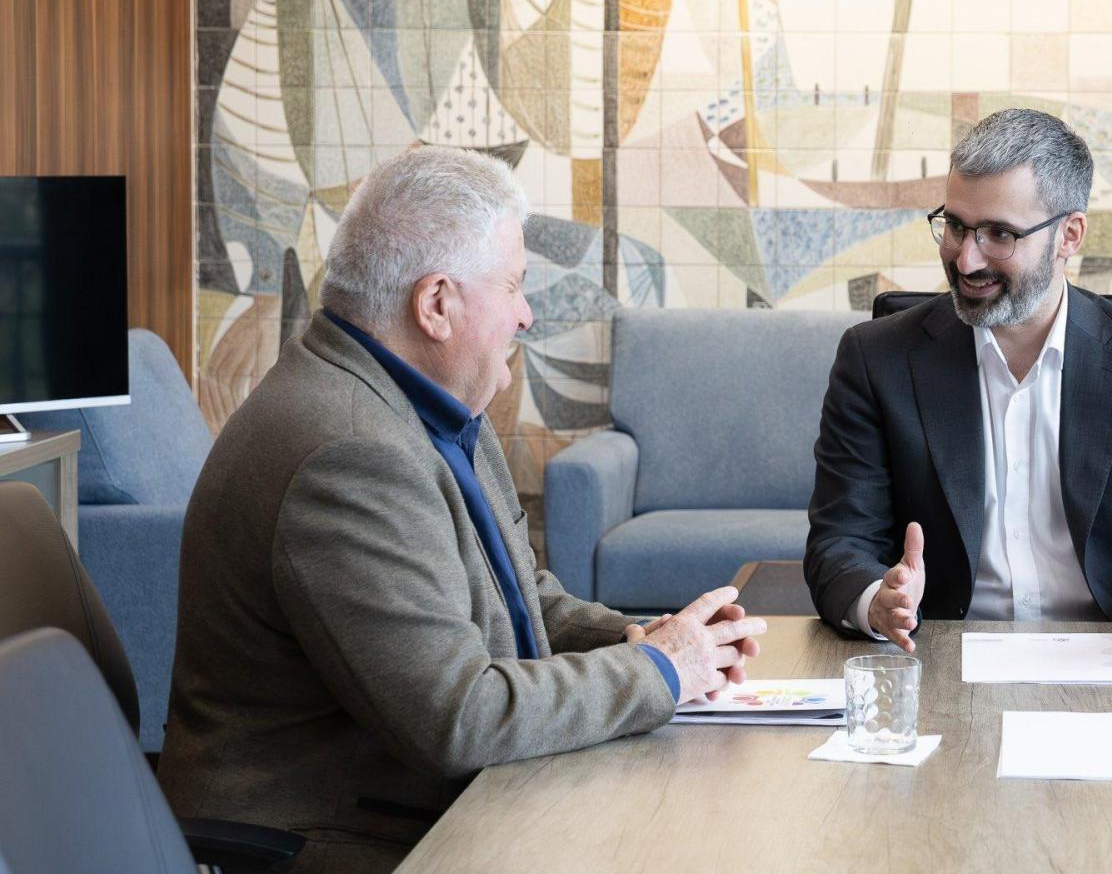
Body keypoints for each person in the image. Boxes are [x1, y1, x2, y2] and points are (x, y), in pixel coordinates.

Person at [157, 147, 764, 873]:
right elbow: (459, 717)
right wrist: (658, 672)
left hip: (427, 801)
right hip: (328, 839)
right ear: (436, 303)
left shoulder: (415, 404)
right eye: (513, 286)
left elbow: (519, 599)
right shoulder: (348, 455)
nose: (527, 314)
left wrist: (641, 637)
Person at [805, 108, 1112, 657]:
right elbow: (839, 543)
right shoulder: (876, 359)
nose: (966, 258)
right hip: (941, 657)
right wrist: (876, 600)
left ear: (1069, 235)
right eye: (954, 226)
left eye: (1000, 234)